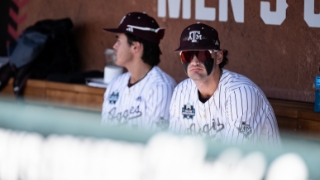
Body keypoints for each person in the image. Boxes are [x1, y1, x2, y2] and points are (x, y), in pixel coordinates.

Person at [169, 22, 281, 146]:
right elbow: (174, 147)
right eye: (187, 55)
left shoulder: (241, 93)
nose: (194, 61)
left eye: (202, 54)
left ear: (218, 57)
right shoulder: (181, 91)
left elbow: (233, 155)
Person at [102, 12, 176, 131]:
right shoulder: (115, 84)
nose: (115, 46)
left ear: (135, 47)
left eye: (119, 41)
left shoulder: (161, 87)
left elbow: (155, 142)